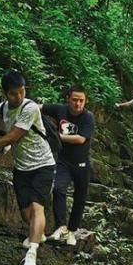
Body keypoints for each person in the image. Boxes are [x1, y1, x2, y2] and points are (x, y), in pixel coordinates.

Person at [0, 70, 56, 265]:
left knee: (37, 208)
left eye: (22, 91)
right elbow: (8, 132)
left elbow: (16, 134)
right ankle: (38, 233)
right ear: (5, 93)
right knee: (25, 212)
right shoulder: (2, 108)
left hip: (43, 165)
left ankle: (32, 254)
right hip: (21, 167)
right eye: (13, 93)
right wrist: (5, 146)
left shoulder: (30, 108)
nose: (18, 97)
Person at [40, 85, 94, 247]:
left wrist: (56, 136)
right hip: (63, 161)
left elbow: (80, 139)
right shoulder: (59, 110)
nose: (78, 104)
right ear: (68, 99)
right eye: (75, 100)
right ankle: (61, 227)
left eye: (81, 101)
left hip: (82, 164)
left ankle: (71, 231)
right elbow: (38, 107)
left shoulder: (88, 117)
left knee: (80, 197)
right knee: (58, 189)